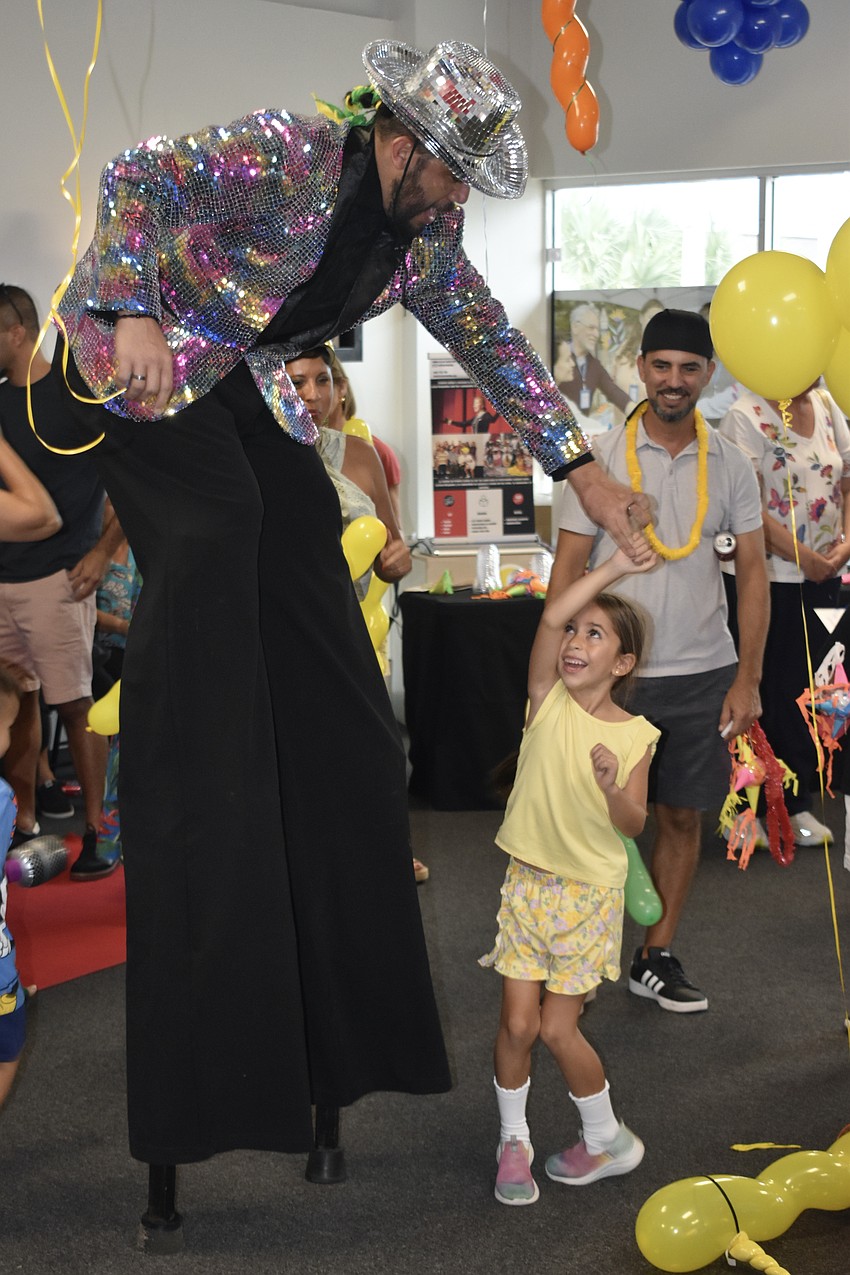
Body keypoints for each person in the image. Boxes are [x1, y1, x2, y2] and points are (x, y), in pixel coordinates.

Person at [52, 40, 650, 1168]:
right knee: (224, 522)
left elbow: (490, 342)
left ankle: (318, 731)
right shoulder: (287, 151)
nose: (461, 195)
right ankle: (198, 740)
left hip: (236, 372)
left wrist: (582, 469)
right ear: (400, 143)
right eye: (454, 170)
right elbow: (137, 172)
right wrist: (129, 307)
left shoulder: (422, 239)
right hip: (130, 357)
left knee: (303, 528)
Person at [551, 309, 769, 1013]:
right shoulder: (598, 461)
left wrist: (748, 678)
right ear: (641, 368)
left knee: (680, 818)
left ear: (707, 375)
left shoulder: (733, 462)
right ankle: (576, 953)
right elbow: (567, 572)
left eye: (690, 368)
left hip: (703, 670)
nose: (674, 381)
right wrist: (562, 670)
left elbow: (757, 575)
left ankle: (655, 955)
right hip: (612, 673)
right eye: (662, 365)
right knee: (592, 818)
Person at [479, 536, 660, 1205]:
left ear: (624, 660)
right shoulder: (545, 699)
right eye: (576, 632)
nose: (575, 640)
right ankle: (512, 1141)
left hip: (588, 897)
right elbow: (550, 618)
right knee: (518, 1025)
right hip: (527, 885)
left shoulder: (636, 735)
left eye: (597, 634)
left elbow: (634, 823)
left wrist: (614, 785)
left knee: (558, 1027)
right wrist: (613, 567)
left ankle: (605, 1136)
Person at [0, 285, 123, 880]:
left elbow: (131, 483)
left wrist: (103, 552)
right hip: (2, 583)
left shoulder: (74, 400)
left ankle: (101, 829)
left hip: (60, 580)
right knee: (14, 701)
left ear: (15, 332)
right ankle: (21, 824)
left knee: (76, 707)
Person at [718, 381, 850, 845]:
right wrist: (804, 557)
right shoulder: (745, 415)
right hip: (767, 577)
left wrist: (845, 542)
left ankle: (795, 805)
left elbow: (846, 481)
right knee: (758, 690)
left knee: (810, 692)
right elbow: (746, 506)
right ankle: (743, 810)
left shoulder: (828, 405)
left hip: (827, 577)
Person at [325, 349, 405, 530]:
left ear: (341, 388)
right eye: (297, 384)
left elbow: (393, 529)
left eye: (322, 381)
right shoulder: (301, 449)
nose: (312, 394)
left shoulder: (376, 451)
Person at [556, 304, 632, 421]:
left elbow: (614, 392)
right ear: (575, 327)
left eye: (597, 329)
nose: (596, 334)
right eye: (591, 328)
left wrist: (637, 411)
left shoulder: (595, 365)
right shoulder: (558, 357)